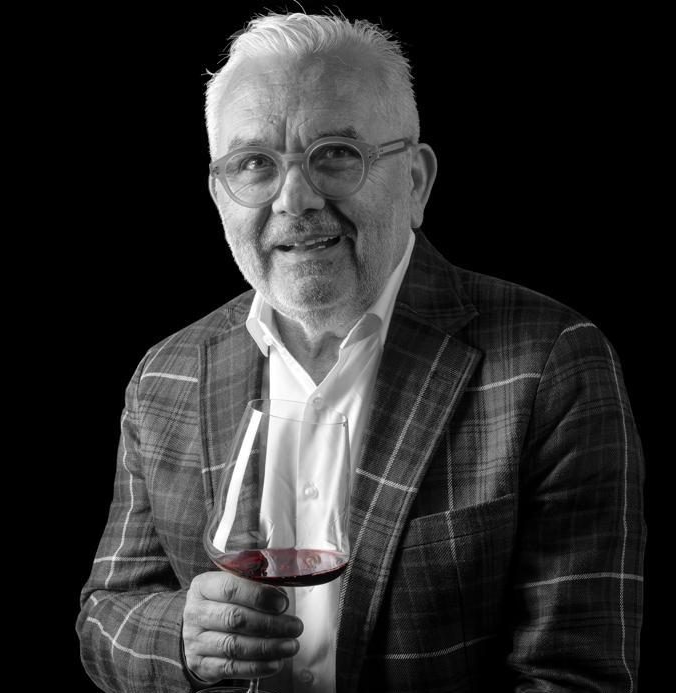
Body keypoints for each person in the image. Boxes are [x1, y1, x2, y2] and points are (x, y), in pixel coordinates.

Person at [76, 11, 645, 693]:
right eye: (254, 164)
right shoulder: (164, 375)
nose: (294, 200)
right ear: (219, 193)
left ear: (415, 181)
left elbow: (573, 676)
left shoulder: (550, 363)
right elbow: (106, 616)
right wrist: (182, 637)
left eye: (336, 154)